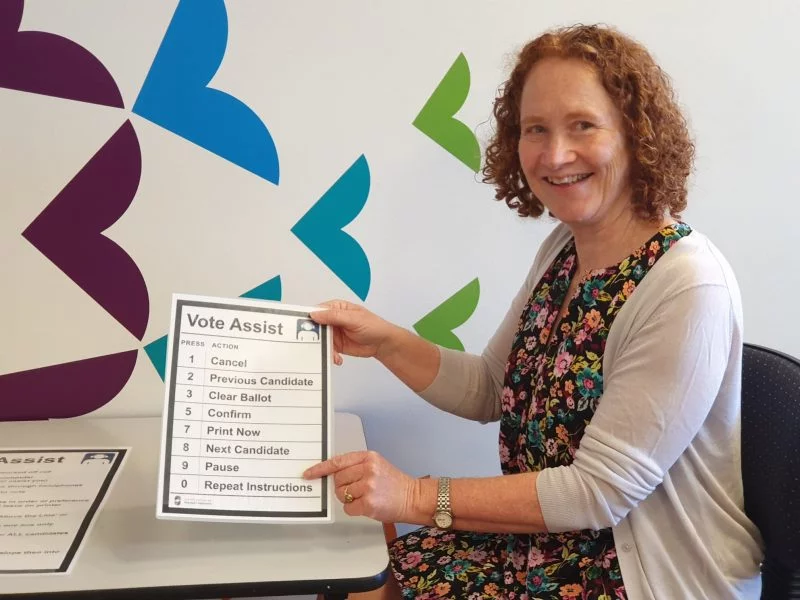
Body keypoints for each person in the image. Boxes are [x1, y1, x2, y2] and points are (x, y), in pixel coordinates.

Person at [302, 24, 764, 599]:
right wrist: (386, 341)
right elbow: (490, 388)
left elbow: (598, 492)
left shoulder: (688, 285)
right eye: (534, 130)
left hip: (644, 572)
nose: (554, 154)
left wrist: (417, 497)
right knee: (369, 581)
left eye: (583, 126)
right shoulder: (566, 250)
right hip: (555, 547)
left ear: (635, 135)